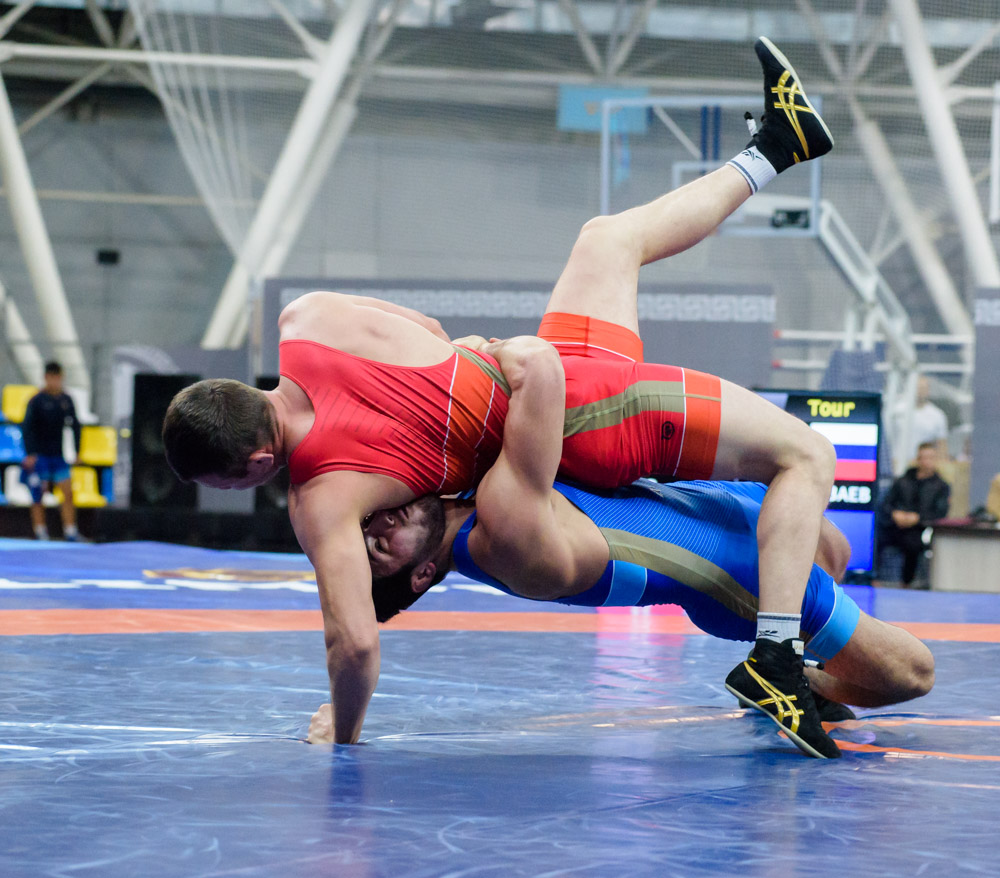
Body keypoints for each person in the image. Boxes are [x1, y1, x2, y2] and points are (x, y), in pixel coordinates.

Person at [163, 37, 838, 748]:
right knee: (792, 447)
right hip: (538, 388)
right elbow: (431, 331)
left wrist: (343, 728)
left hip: (582, 413)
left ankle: (776, 658)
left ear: (255, 463)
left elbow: (354, 643)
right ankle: (781, 648)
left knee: (618, 252)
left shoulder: (320, 500)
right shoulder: (308, 317)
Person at [321, 344, 936, 758]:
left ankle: (791, 680)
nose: (382, 521)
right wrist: (480, 349)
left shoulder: (469, 492)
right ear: (424, 574)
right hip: (735, 573)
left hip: (710, 504)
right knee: (913, 674)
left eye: (370, 522)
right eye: (380, 547)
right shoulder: (502, 535)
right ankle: (785, 670)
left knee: (830, 544)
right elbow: (537, 367)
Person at [20, 361, 81, 542]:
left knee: (68, 493)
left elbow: (75, 426)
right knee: (38, 494)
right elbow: (27, 428)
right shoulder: (36, 400)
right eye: (52, 378)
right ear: (46, 378)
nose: (56, 382)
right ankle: (40, 531)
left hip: (58, 456)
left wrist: (77, 450)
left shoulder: (66, 400)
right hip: (40, 456)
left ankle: (70, 531)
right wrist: (30, 453)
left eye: (58, 378)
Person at [877, 442, 950, 588]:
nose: (926, 461)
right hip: (896, 526)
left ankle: (906, 583)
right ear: (917, 459)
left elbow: (940, 512)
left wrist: (918, 518)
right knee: (876, 536)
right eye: (923, 457)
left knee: (913, 544)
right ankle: (874, 578)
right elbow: (887, 504)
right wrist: (895, 514)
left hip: (920, 529)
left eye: (930, 458)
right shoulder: (903, 481)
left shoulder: (941, 486)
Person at [906, 375, 949, 462]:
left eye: (923, 388)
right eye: (918, 388)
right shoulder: (897, 411)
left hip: (925, 465)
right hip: (898, 463)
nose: (920, 391)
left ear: (928, 390)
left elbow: (942, 444)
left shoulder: (937, 415)